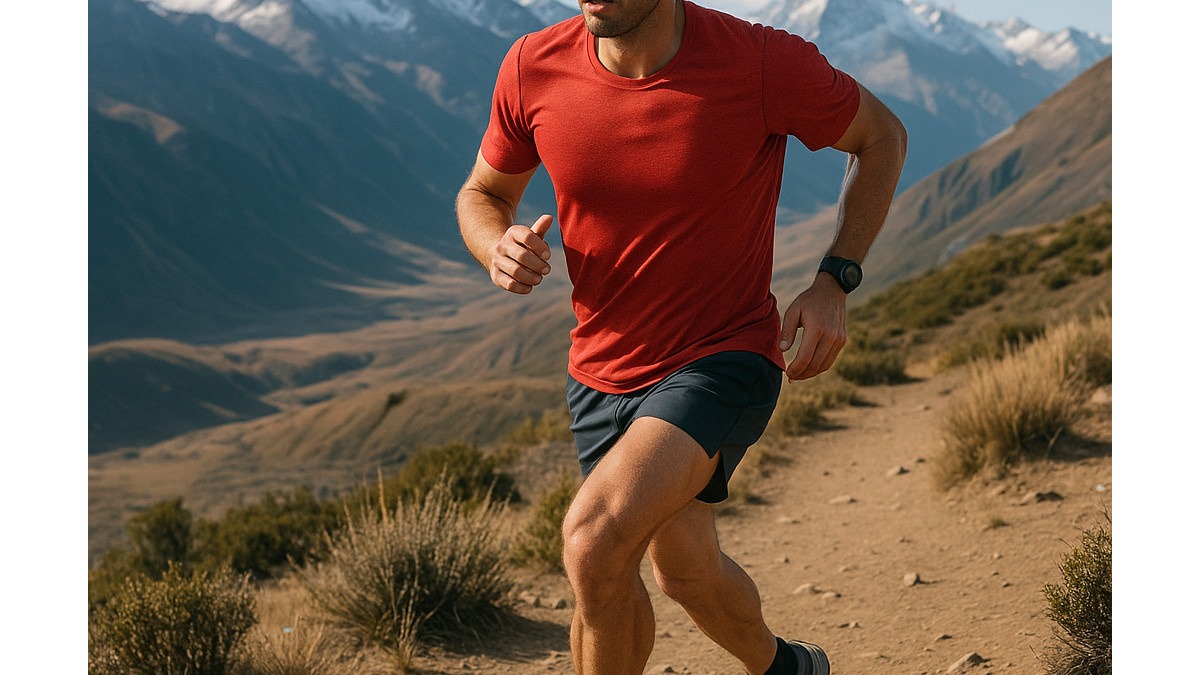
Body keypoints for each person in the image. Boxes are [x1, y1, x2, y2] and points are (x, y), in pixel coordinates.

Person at [455, 1, 906, 673]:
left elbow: (882, 136)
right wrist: (496, 245)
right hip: (597, 372)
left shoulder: (759, 62)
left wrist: (834, 280)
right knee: (684, 570)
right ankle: (788, 667)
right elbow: (484, 191)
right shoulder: (531, 65)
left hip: (721, 358)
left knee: (592, 543)